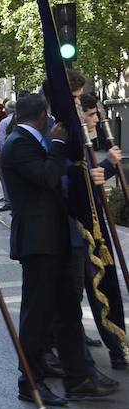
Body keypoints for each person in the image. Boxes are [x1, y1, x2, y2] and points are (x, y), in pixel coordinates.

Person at [0, 93, 115, 405]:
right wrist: (60, 144)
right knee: (37, 316)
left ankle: (78, 376)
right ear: (42, 115)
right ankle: (30, 381)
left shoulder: (33, 141)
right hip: (38, 242)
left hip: (56, 238)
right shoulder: (18, 143)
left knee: (66, 310)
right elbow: (48, 177)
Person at [76, 94, 127, 370]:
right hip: (84, 230)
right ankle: (115, 349)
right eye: (93, 114)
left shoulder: (86, 144)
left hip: (94, 225)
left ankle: (117, 346)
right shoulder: (75, 145)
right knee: (98, 290)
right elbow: (82, 184)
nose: (97, 119)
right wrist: (107, 166)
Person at [0, 100, 17, 212]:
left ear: (7, 111)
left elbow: (0, 140)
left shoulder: (4, 122)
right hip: (17, 154)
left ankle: (8, 201)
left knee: (4, 176)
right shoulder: (20, 120)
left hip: (6, 154)